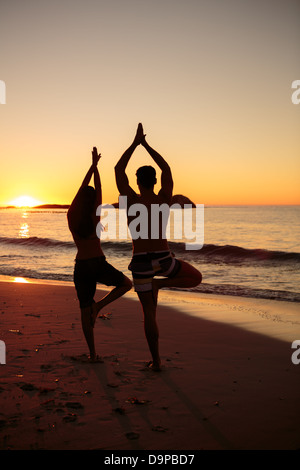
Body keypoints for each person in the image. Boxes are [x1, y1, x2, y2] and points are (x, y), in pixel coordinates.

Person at [115, 124, 202, 371]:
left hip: (141, 262)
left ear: (137, 181)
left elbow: (118, 168)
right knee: (195, 277)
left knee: (149, 315)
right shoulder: (164, 198)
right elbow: (166, 168)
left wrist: (134, 143)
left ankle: (156, 361)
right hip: (164, 259)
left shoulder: (131, 200)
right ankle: (160, 283)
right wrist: (147, 145)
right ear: (154, 181)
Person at [68, 147, 132, 362]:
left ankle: (93, 354)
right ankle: (100, 306)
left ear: (78, 199)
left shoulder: (71, 215)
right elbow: (99, 186)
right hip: (98, 263)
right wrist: (97, 166)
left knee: (85, 312)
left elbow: (82, 187)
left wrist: (92, 165)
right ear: (93, 200)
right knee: (126, 284)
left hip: (82, 266)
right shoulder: (96, 214)